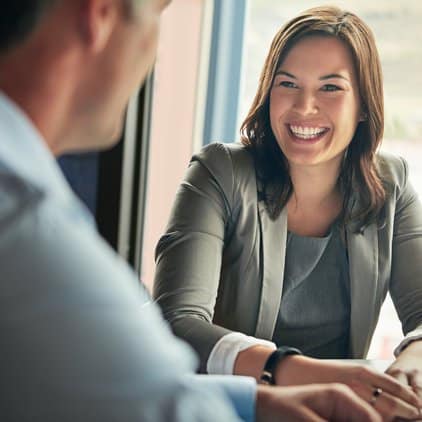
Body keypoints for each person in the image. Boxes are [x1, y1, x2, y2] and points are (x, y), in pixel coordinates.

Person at [0, 1, 386, 421]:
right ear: (100, 15)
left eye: (331, 88)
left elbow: (139, 386)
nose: (155, 55)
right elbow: (160, 394)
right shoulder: (29, 232)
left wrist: (257, 403)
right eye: (155, 15)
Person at [153, 5, 422, 420]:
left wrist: (407, 368)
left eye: (330, 88)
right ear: (268, 92)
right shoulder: (217, 173)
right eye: (288, 84)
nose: (304, 107)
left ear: (365, 105)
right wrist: (296, 371)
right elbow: (177, 324)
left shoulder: (392, 184)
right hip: (234, 411)